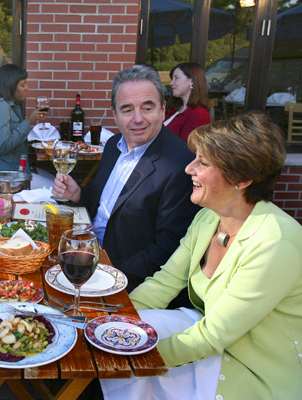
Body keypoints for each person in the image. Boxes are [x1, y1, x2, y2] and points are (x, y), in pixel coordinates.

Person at [101, 111, 302, 400]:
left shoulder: (275, 242)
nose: (188, 169)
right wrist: (113, 322)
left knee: (128, 368)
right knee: (119, 336)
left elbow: (212, 336)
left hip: (251, 367)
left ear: (242, 178)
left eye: (202, 163)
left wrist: (135, 357)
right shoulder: (208, 218)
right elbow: (164, 283)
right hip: (212, 339)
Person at [52, 65, 199, 307]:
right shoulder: (113, 146)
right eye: (127, 109)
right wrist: (78, 195)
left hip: (127, 286)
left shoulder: (179, 164)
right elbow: (105, 204)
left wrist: (106, 274)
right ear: (115, 114)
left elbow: (167, 251)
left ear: (163, 109)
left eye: (147, 107)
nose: (138, 118)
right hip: (88, 258)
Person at [0, 63, 48, 172]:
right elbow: (4, 145)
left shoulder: (9, 106)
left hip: (11, 169)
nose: (27, 88)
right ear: (11, 86)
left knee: (52, 180)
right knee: (53, 185)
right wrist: (28, 122)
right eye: (23, 85)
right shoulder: (1, 107)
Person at [164, 62, 211, 142]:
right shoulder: (176, 109)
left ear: (192, 81)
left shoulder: (198, 114)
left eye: (176, 78)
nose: (171, 83)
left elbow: (186, 149)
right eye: (172, 78)